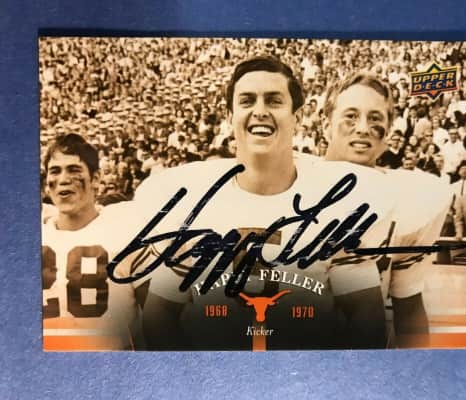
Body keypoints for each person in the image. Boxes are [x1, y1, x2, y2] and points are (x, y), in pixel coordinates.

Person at [129, 56, 398, 350]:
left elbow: (366, 315)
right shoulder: (192, 198)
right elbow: (159, 316)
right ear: (229, 116)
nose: (259, 111)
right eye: (247, 101)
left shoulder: (335, 200)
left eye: (273, 101)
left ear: (297, 116)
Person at [323, 72, 453, 348]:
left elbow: (410, 310)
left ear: (387, 134)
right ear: (326, 126)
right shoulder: (289, 186)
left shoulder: (405, 199)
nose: (363, 128)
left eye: (375, 119)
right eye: (350, 116)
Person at [41, 133, 147, 350]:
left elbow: (159, 322)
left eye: (74, 169)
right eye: (55, 171)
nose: (63, 179)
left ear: (96, 179)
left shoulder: (127, 234)